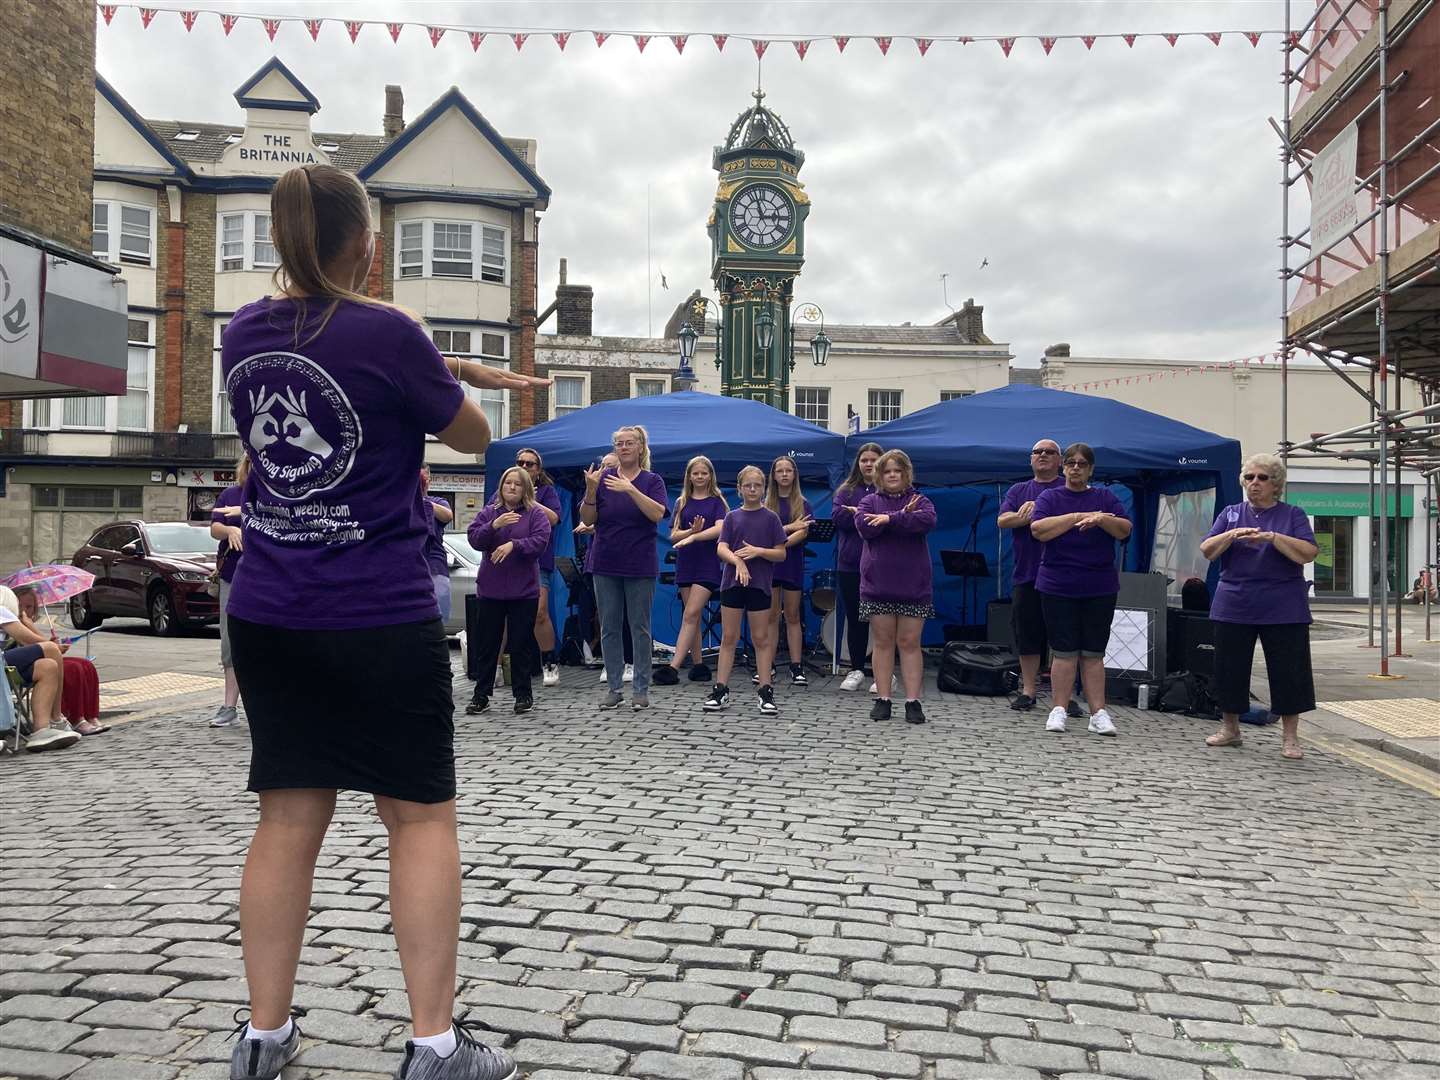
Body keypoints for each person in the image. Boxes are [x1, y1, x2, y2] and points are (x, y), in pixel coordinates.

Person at [219, 163, 543, 1080]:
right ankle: (434, 1045)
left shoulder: (243, 333)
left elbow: (324, 387)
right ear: (365, 246)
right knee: (418, 819)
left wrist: (423, 364)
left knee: (285, 819)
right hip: (376, 608)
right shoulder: (393, 330)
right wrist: (442, 371)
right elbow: (476, 435)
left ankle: (264, 1036)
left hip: (273, 609)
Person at [1200, 452, 1319, 760]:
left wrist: (1273, 538)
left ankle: (1290, 737)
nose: (1254, 483)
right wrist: (1231, 534)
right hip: (1234, 602)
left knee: (1288, 670)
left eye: (1262, 478)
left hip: (1283, 605)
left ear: (1275, 484)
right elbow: (1207, 551)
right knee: (1229, 667)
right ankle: (1231, 729)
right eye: (1250, 477)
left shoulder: (1292, 514)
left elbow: (1307, 553)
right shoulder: (1230, 513)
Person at [1030, 442, 1132, 737]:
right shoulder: (1050, 497)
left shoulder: (1105, 497)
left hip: (1099, 585)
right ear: (1063, 468)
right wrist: (1076, 517)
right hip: (1057, 584)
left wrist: (1102, 518)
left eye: (1082, 464)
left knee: (1093, 652)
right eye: (1071, 463)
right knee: (1063, 651)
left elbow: (1125, 529)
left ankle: (1098, 712)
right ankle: (1058, 709)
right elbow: (1039, 530)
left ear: (1091, 469)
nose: (1076, 468)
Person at [581, 427, 667, 711]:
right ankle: (614, 688)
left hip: (639, 563)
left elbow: (656, 514)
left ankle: (641, 689)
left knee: (639, 627)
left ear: (641, 447)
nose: (624, 447)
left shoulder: (652, 481)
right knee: (609, 627)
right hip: (605, 562)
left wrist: (630, 489)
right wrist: (591, 491)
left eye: (630, 443)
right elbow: (588, 517)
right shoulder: (602, 479)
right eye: (619, 443)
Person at [855, 450, 938, 725]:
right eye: (887, 470)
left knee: (909, 642)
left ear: (906, 474)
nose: (892, 475)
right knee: (883, 642)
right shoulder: (868, 500)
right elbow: (865, 527)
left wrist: (891, 519)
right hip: (878, 584)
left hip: (913, 585)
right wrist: (901, 517)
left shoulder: (920, 500)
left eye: (897, 470)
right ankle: (884, 699)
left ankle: (913, 701)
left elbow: (926, 521)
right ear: (880, 474)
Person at [465, 466, 553, 716]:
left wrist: (514, 545)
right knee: (487, 644)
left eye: (517, 484)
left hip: (522, 591)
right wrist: (494, 525)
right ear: (501, 487)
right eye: (507, 483)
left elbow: (540, 542)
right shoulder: (489, 512)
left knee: (521, 643)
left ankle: (523, 694)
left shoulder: (535, 514)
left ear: (525, 488)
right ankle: (481, 695)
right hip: (491, 590)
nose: (512, 487)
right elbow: (474, 539)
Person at [704, 466, 788, 714]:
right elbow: (721, 548)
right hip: (732, 583)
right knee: (729, 638)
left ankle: (765, 691)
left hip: (760, 585)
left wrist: (758, 551)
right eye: (748, 485)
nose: (752, 489)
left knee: (761, 639)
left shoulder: (771, 518)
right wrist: (738, 561)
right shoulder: (732, 517)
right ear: (739, 489)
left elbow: (781, 553)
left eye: (757, 485)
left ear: (764, 488)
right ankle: (720, 689)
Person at [997, 438, 1064, 711]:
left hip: (1063, 574)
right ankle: (1028, 690)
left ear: (1060, 460)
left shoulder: (1068, 489)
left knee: (1063, 637)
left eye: (1050, 452)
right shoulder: (1019, 489)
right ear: (1030, 459)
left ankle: (1065, 695)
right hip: (1026, 574)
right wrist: (1026, 518)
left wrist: (1043, 515)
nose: (1043, 455)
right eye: (1038, 452)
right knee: (1027, 634)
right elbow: (1003, 520)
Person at [654, 455, 727, 687]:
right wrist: (689, 533)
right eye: (695, 473)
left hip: (707, 564)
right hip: (686, 562)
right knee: (691, 615)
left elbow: (719, 530)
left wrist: (695, 535)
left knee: (690, 613)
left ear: (710, 475)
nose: (699, 477)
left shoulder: (717, 501)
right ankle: (698, 665)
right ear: (689, 476)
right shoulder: (681, 501)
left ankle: (673, 668)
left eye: (704, 473)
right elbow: (673, 535)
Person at [14, 588, 106, 736]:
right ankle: (75, 718)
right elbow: (29, 644)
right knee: (74, 669)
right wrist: (28, 624)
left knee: (86, 665)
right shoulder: (14, 623)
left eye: (29, 607)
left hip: (41, 658)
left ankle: (90, 715)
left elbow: (43, 645)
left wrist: (53, 643)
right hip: (28, 665)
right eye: (20, 607)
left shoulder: (25, 623)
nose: (24, 611)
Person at [0, 585, 79, 752]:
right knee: (50, 649)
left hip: (6, 669)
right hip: (4, 666)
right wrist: (50, 644)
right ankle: (56, 718)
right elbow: (29, 640)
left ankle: (41, 729)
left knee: (48, 666)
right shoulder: (2, 611)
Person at [833, 443, 881, 692]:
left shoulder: (890, 490)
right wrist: (865, 517)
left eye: (874, 459)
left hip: (881, 565)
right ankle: (857, 669)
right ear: (858, 463)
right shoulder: (847, 490)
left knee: (882, 620)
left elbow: (888, 522)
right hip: (850, 564)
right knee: (856, 618)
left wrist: (859, 514)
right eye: (865, 460)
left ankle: (883, 674)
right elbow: (838, 517)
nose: (869, 464)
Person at [515, 448, 564, 685]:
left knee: (539, 612)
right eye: (520, 463)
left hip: (537, 561)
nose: (524, 467)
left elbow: (554, 518)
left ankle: (550, 662)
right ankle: (496, 666)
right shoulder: (506, 488)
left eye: (530, 464)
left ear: (538, 470)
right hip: (510, 560)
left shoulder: (547, 492)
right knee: (505, 615)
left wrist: (530, 501)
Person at [209, 455, 250, 728]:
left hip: (268, 579)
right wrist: (230, 528)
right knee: (229, 642)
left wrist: (243, 515)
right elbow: (214, 528)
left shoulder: (278, 496)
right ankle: (228, 706)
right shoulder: (230, 494)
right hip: (232, 578)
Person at [765, 455, 813, 686]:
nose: (784, 474)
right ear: (773, 475)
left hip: (792, 563)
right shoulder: (766, 505)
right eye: (780, 471)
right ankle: (768, 664)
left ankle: (796, 666)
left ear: (794, 475)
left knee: (793, 616)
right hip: (770, 566)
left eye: (788, 471)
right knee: (771, 616)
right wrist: (787, 529)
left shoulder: (803, 504)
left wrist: (778, 541)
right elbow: (761, 534)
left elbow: (802, 532)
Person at [420, 464, 455, 623]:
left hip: (435, 566)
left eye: (422, 479)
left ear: (429, 480)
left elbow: (447, 516)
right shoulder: (402, 502)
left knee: (437, 617)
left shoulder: (438, 501)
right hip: (411, 565)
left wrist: (423, 501)